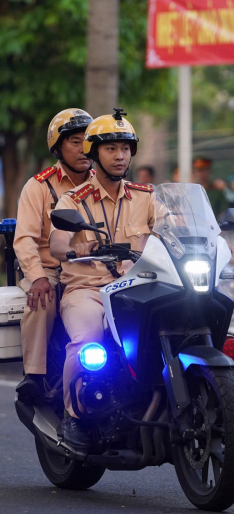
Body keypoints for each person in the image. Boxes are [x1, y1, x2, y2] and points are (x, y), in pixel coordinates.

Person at [49, 109, 156, 450]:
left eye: (125, 148)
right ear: (94, 154)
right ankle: (74, 416)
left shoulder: (146, 197)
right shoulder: (73, 200)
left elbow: (178, 228)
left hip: (137, 288)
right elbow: (56, 241)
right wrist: (73, 250)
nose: (120, 155)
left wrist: (211, 241)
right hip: (89, 290)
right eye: (111, 148)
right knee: (87, 339)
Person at [13, 109, 95, 403]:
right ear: (58, 147)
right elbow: (24, 240)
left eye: (88, 140)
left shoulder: (105, 183)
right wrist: (36, 277)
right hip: (50, 268)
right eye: (75, 141)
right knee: (41, 299)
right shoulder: (38, 186)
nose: (84, 148)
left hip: (92, 269)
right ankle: (34, 375)